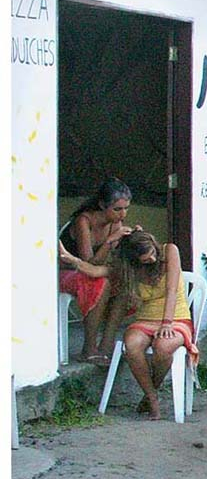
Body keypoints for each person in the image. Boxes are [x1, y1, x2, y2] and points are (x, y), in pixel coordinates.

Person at [59, 231, 196, 420]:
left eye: (152, 253)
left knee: (163, 347)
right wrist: (70, 258)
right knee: (131, 346)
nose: (153, 259)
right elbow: (95, 271)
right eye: (146, 260)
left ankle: (151, 390)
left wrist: (166, 323)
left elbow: (172, 290)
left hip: (176, 318)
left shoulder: (169, 251)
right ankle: (152, 398)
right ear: (135, 260)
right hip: (145, 320)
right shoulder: (128, 268)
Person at [58, 178, 138, 365]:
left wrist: (132, 238)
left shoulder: (115, 224)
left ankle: (106, 345)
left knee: (125, 284)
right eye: (117, 209)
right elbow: (89, 262)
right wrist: (110, 241)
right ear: (102, 205)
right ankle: (89, 348)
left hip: (89, 271)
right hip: (66, 270)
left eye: (126, 208)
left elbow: (114, 259)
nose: (123, 214)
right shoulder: (83, 221)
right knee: (100, 283)